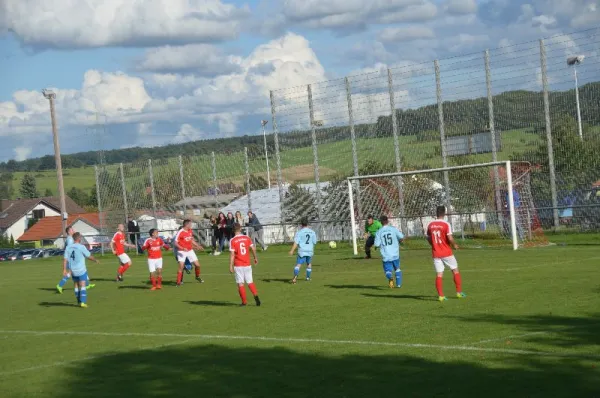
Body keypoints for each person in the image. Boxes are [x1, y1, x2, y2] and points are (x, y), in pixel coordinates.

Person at [426, 205, 466, 302]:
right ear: (444, 213)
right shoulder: (446, 224)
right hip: (446, 252)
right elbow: (450, 238)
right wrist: (455, 245)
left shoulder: (430, 224)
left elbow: (428, 237)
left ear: (436, 213)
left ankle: (441, 296)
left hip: (436, 253)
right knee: (455, 270)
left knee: (439, 274)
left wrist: (433, 244)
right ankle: (459, 292)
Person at [64, 232, 99, 308]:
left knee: (76, 285)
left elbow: (65, 259)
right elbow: (89, 256)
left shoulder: (68, 247)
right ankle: (83, 302)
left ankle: (78, 300)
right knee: (83, 285)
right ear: (79, 238)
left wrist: (64, 269)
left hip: (72, 270)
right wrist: (95, 260)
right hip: (81, 269)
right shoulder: (81, 247)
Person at [56, 226, 95, 293]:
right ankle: (60, 285)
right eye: (72, 230)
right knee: (72, 272)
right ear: (68, 232)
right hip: (71, 260)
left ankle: (87, 284)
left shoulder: (70, 238)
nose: (73, 230)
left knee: (78, 271)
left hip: (71, 259)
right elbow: (71, 249)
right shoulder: (70, 240)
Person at [229, 223, 260, 306]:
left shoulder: (232, 240)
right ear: (240, 229)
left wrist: (230, 266)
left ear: (233, 230)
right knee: (250, 282)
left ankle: (244, 302)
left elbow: (232, 254)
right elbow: (253, 248)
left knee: (240, 283)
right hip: (247, 264)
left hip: (238, 265)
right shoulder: (246, 238)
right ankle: (256, 296)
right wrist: (255, 258)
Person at [374, 215, 404, 288]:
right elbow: (401, 237)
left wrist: (377, 245)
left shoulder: (379, 232)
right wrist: (399, 241)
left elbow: (377, 244)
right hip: (395, 254)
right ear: (387, 221)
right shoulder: (393, 229)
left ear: (381, 222)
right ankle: (399, 285)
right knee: (397, 268)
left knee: (388, 271)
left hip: (386, 255)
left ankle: (390, 277)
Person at [174, 219, 204, 286]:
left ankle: (197, 276)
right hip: (181, 251)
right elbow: (175, 243)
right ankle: (178, 282)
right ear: (186, 225)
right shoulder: (180, 232)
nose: (191, 225)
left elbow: (191, 240)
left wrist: (198, 246)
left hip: (190, 250)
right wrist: (182, 248)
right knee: (181, 267)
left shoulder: (190, 230)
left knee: (197, 265)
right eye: (190, 224)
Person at [289, 218, 317, 283]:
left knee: (298, 264)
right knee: (309, 264)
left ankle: (295, 278)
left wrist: (292, 250)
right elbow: (314, 242)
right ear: (307, 224)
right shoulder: (312, 232)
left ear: (301, 224)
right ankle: (308, 278)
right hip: (310, 251)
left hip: (302, 251)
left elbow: (296, 242)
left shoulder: (299, 232)